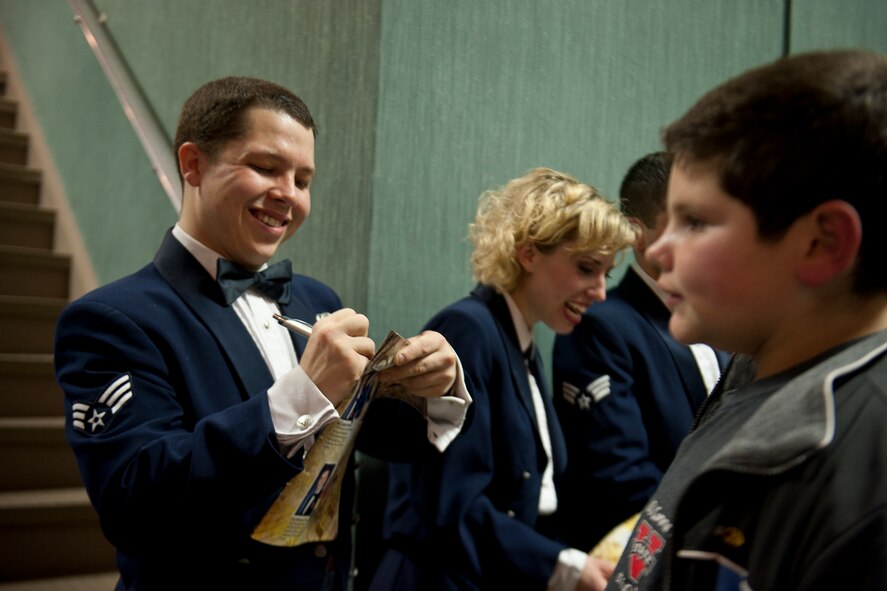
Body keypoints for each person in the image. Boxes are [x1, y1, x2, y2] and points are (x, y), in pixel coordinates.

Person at [54, 76, 472, 591]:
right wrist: (300, 395)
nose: (288, 195)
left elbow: (380, 437)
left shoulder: (318, 300)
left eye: (303, 179)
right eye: (266, 168)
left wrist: (436, 391)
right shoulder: (110, 319)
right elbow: (134, 503)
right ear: (193, 164)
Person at [606, 49, 887, 591]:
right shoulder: (752, 369)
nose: (658, 250)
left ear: (822, 242)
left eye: (695, 222)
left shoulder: (866, 463)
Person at [370, 168, 638, 591]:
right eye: (587, 268)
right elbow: (454, 505)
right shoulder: (469, 329)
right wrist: (564, 565)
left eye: (607, 273)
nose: (601, 291)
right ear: (528, 254)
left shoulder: (522, 342)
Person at [552, 151, 730, 551]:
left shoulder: (724, 321)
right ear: (637, 233)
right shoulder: (600, 324)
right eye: (688, 224)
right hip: (636, 555)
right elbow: (620, 477)